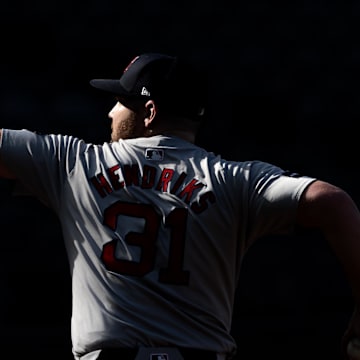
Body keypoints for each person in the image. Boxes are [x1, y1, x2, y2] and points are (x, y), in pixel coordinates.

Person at [0, 52, 360, 360]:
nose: (110, 113)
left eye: (121, 101)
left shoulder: (75, 163)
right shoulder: (232, 180)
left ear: (150, 111)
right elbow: (333, 201)